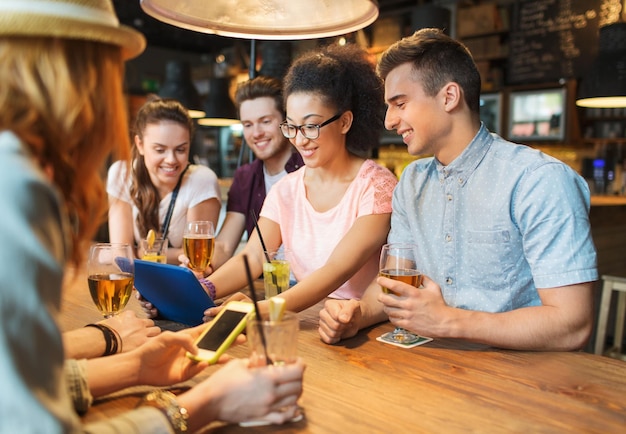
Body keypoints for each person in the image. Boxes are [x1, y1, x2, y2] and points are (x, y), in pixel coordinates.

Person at [0, 1, 303, 432]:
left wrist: (135, 368)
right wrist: (205, 404)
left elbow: (18, 382)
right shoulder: (18, 186)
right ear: (87, 72)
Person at [318, 28, 598, 351]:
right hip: (437, 373)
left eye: (400, 103)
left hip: (526, 383)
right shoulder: (411, 183)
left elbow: (573, 324)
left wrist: (448, 321)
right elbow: (399, 288)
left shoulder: (539, 181)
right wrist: (358, 314)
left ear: (449, 97)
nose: (389, 121)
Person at [142, 43, 398, 319]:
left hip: (359, 324)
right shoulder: (286, 189)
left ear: (345, 122)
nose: (299, 140)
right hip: (305, 318)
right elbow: (253, 256)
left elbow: (334, 270)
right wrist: (204, 290)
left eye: (311, 126)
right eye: (291, 126)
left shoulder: (376, 187)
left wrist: (255, 310)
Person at [107, 97, 221, 264]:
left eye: (181, 150)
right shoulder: (121, 174)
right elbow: (122, 254)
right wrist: (172, 254)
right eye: (160, 150)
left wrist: (142, 252)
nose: (171, 160)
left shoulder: (201, 180)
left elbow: (195, 259)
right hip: (137, 282)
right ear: (140, 144)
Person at [211, 76, 303, 270]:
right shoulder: (245, 177)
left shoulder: (308, 167)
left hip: (312, 288)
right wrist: (204, 265)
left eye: (265, 121)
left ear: (286, 121)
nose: (256, 133)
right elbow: (225, 246)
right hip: (265, 287)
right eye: (248, 124)